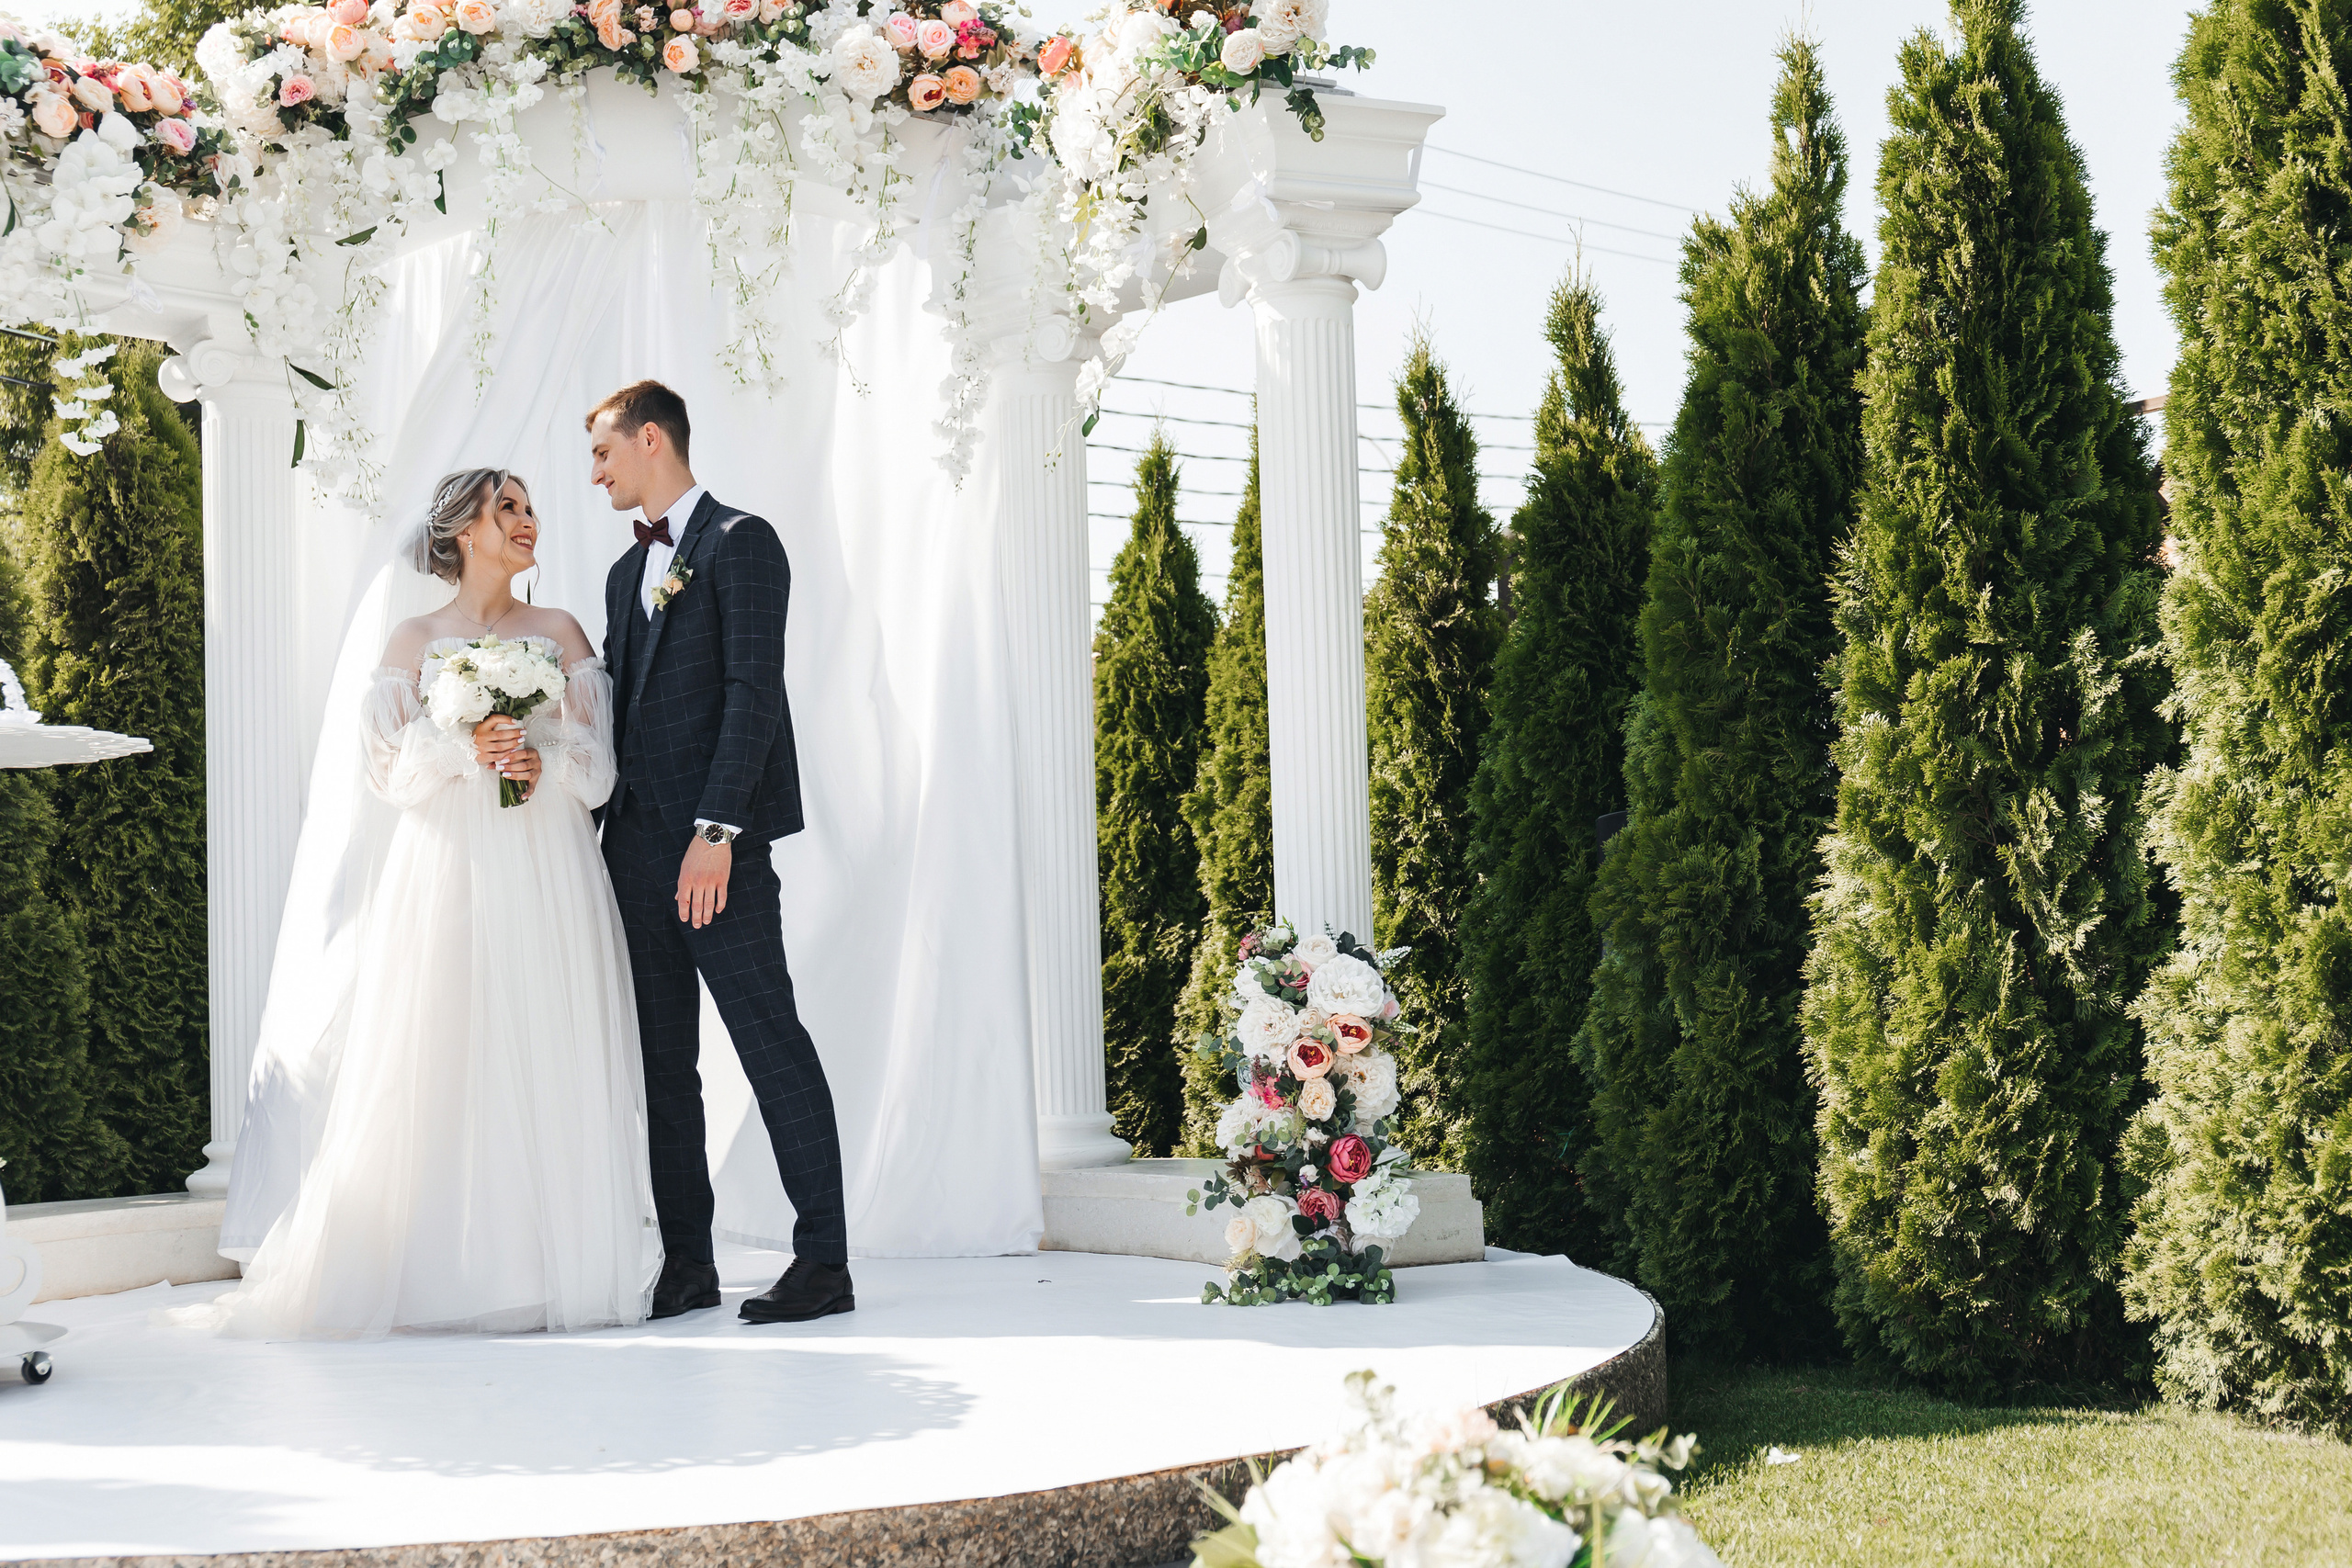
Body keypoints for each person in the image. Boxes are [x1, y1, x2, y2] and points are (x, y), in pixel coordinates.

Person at [179, 470, 662, 1338]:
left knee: (544, 1038)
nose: (528, 520)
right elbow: (388, 775)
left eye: (529, 506)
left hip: (548, 867)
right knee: (443, 1045)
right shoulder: (414, 638)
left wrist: (543, 760)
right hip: (446, 867)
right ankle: (439, 1271)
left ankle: (546, 1267)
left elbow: (599, 774)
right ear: (465, 530)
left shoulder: (560, 631)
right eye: (508, 507)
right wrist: (465, 745)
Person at [588, 380, 853, 1325]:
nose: (596, 474)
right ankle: (687, 1265)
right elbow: (618, 711)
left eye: (603, 453)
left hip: (717, 855)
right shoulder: (622, 575)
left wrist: (716, 833)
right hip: (632, 854)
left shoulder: (744, 541)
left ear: (650, 439)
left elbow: (753, 691)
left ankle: (824, 1262)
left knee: (768, 1042)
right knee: (664, 1068)